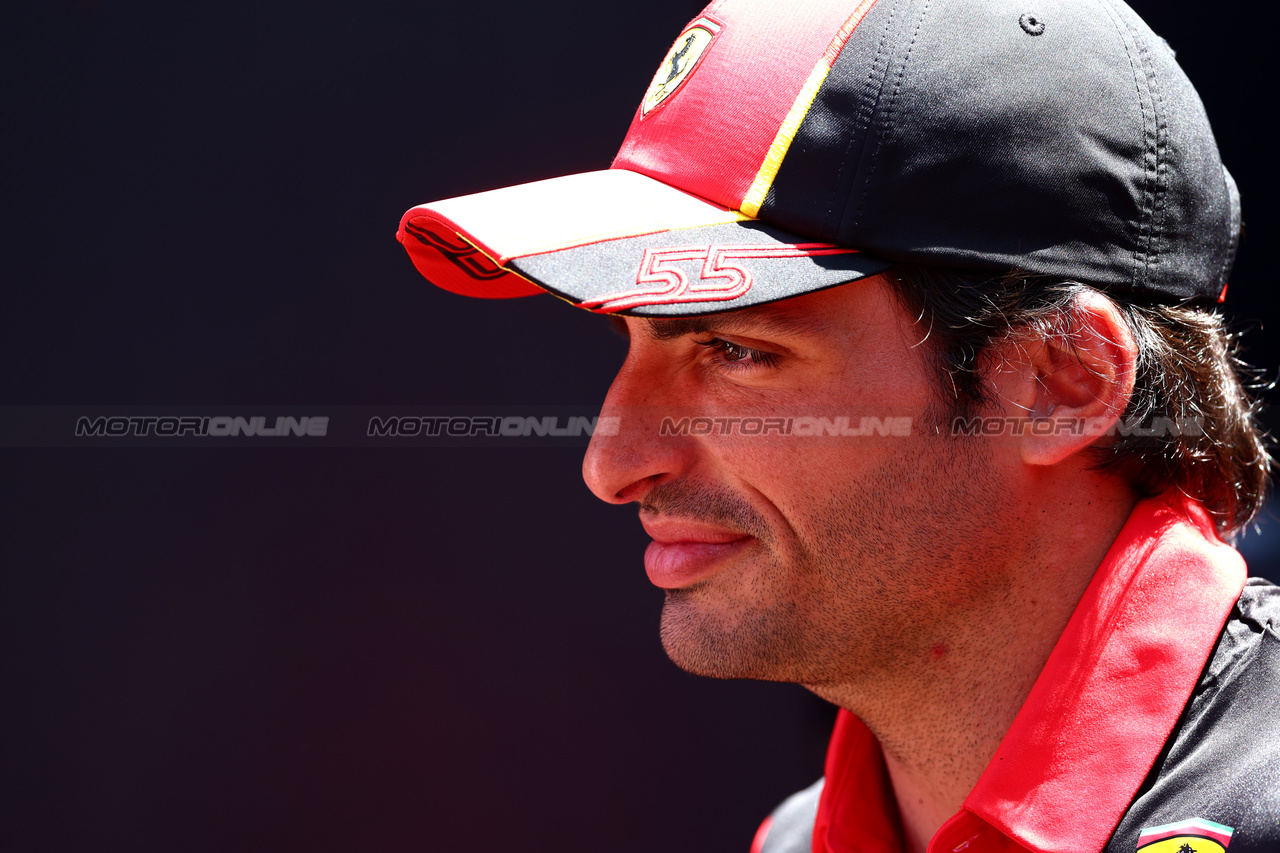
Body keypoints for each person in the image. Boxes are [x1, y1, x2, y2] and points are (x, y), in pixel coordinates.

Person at [395, 0, 1280, 851]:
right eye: (628, 342)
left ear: (1060, 381)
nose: (612, 462)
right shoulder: (796, 837)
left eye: (733, 349)